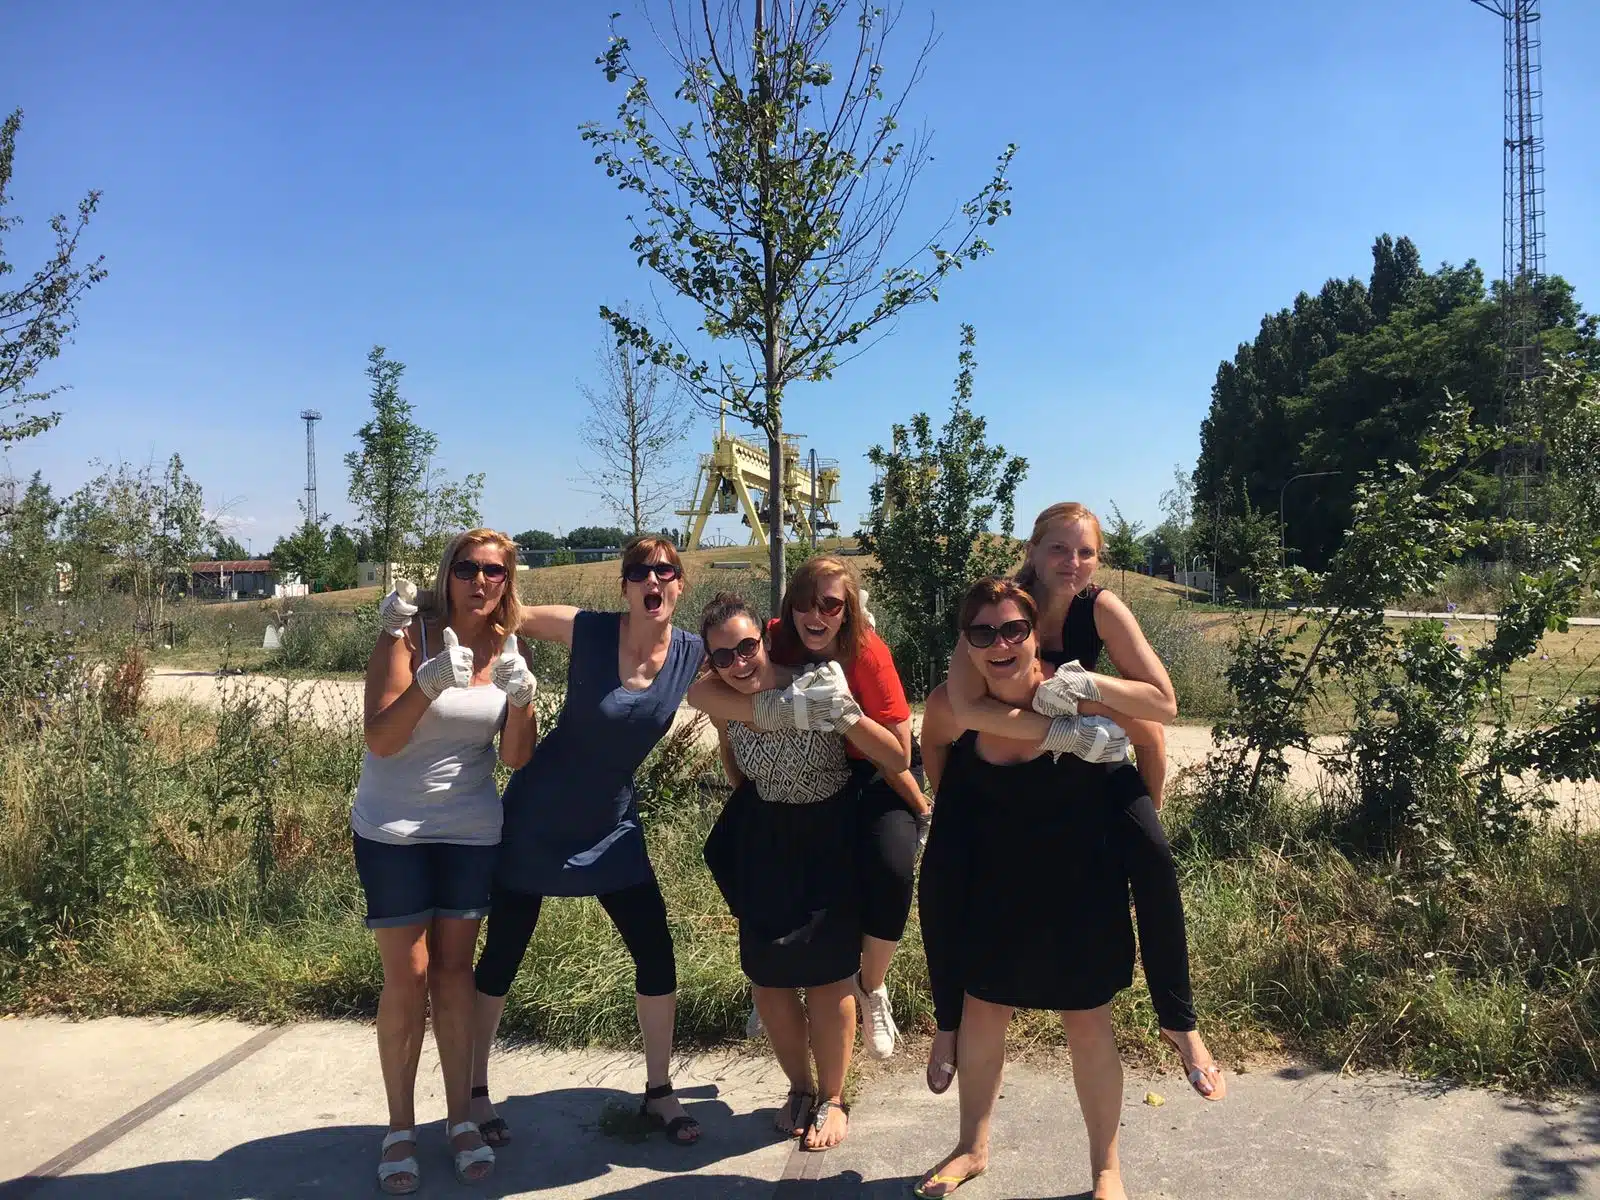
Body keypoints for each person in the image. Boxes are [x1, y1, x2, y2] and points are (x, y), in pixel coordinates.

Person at [925, 501, 1225, 1102]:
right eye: (1059, 548)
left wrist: (1091, 687)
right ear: (1033, 551)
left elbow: (1162, 707)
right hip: (1017, 756)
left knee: (1154, 859)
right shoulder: (1001, 609)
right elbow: (964, 708)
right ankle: (947, 1023)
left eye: (1086, 551)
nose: (1073, 562)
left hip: (1090, 745)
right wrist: (1057, 733)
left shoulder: (1101, 608)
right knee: (938, 879)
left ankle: (1179, 1021)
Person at [464, 534, 705, 1149]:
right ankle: (473, 1090)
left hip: (611, 827)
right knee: (503, 955)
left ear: (680, 584)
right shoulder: (589, 630)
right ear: (624, 586)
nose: (652, 580)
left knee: (656, 952)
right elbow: (505, 610)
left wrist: (795, 706)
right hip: (537, 819)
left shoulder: (690, 654)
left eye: (665, 571)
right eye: (639, 571)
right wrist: (435, 620)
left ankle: (658, 1091)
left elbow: (748, 673)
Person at [914, 577, 1138, 1200]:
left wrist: (1141, 815)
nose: (1000, 644)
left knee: (1088, 1025)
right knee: (984, 1014)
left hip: (1077, 886)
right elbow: (930, 743)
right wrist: (953, 802)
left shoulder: (1072, 698)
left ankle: (1107, 1170)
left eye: (1013, 629)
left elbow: (1148, 734)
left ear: (1036, 635)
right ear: (967, 644)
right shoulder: (953, 705)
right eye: (983, 633)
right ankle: (971, 1146)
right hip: (995, 884)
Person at [356, 529, 539, 1194]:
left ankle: (460, 1119)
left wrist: (524, 701)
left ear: (507, 579)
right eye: (466, 568)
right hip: (393, 829)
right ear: (448, 573)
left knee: (455, 974)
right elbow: (380, 739)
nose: (479, 580)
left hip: (469, 831)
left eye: (493, 570)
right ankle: (400, 1127)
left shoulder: (510, 644)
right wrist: (428, 684)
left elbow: (515, 757)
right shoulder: (408, 633)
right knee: (408, 977)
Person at [690, 555, 925, 1060]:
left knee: (889, 864)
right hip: (812, 765)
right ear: (788, 606)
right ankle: (770, 972)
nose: (815, 614)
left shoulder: (868, 653)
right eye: (804, 602)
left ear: (850, 609)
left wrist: (918, 802)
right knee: (724, 850)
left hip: (873, 765)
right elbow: (703, 691)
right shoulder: (772, 637)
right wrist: (781, 709)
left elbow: (898, 757)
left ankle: (871, 985)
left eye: (830, 605)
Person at [693, 592, 873, 1150]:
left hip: (828, 833)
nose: (739, 662)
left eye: (747, 646)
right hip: (767, 836)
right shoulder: (724, 699)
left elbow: (881, 746)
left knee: (828, 975)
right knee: (768, 976)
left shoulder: (816, 682)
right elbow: (732, 763)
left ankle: (834, 1097)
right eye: (723, 656)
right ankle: (799, 1087)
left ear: (765, 639)